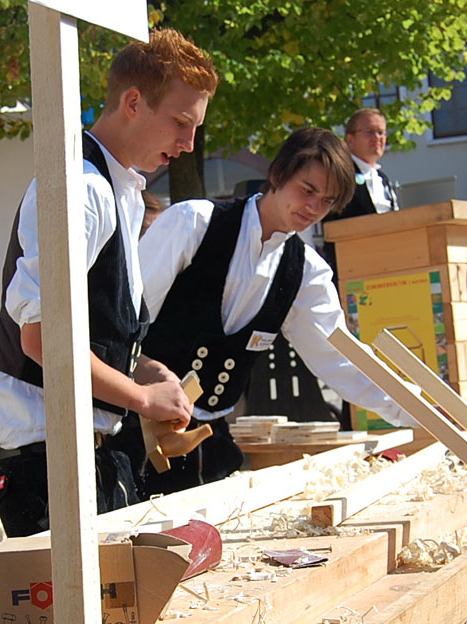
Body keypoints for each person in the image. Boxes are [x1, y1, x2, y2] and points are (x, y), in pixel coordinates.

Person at [0, 29, 217, 540]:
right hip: (45, 451)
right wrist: (141, 398)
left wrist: (153, 373)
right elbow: (41, 340)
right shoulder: (82, 189)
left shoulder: (120, 190)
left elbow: (94, 331)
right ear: (133, 101)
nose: (189, 142)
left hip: (80, 448)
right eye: (180, 122)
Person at [109, 128, 418, 496]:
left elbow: (341, 359)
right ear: (277, 174)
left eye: (327, 200)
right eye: (308, 190)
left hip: (213, 445)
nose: (314, 208)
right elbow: (121, 320)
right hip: (133, 435)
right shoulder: (193, 222)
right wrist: (144, 375)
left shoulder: (305, 271)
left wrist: (420, 408)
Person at [320, 107, 398, 281]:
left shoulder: (383, 179)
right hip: (350, 273)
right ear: (350, 139)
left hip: (387, 268)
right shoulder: (337, 174)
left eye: (381, 133)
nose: (377, 138)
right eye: (370, 132)